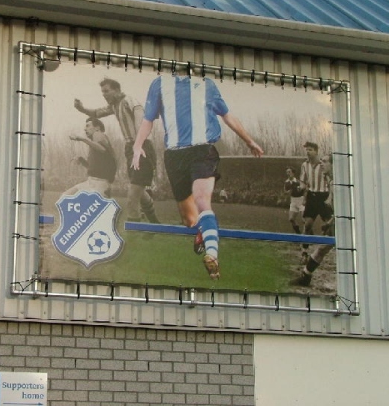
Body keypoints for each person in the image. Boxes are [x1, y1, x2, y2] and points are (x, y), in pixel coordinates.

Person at [132, 75, 263, 280]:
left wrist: (249, 141)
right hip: (175, 155)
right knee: (189, 219)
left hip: (202, 151)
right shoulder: (159, 83)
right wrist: (137, 145)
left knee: (202, 200)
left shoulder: (207, 84)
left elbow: (227, 115)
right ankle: (202, 229)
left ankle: (212, 255)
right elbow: (148, 119)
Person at [74, 78, 159, 223]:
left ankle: (134, 232)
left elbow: (141, 118)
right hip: (130, 148)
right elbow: (96, 113)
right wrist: (81, 109)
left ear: (117, 90)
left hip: (141, 147)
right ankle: (155, 224)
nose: (104, 94)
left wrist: (139, 143)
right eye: (102, 92)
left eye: (106, 91)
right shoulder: (114, 106)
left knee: (132, 196)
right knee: (138, 188)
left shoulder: (129, 100)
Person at [291, 153, 334, 286]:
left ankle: (306, 276)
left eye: (326, 161)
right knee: (322, 248)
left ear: (334, 165)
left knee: (324, 248)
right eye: (322, 161)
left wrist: (330, 222)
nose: (322, 164)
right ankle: (306, 276)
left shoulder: (339, 184)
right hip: (340, 222)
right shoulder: (331, 182)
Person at [63, 117, 117, 198]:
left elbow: (102, 149)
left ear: (97, 128)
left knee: (66, 199)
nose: (85, 129)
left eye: (88, 126)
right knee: (65, 197)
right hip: (91, 182)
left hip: (100, 184)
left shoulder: (98, 134)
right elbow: (91, 167)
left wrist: (83, 139)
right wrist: (81, 160)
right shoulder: (93, 144)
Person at [299, 141, 332, 259]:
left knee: (330, 224)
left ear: (316, 151)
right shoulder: (304, 165)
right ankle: (304, 251)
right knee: (307, 224)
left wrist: (330, 197)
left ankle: (330, 249)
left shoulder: (323, 164)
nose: (308, 152)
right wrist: (301, 189)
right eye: (307, 150)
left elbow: (330, 181)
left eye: (310, 150)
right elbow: (303, 182)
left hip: (323, 196)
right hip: (312, 197)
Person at [284, 167, 304, 234]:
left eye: (289, 172)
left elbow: (304, 190)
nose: (288, 174)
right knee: (291, 219)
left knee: (304, 220)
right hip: (293, 201)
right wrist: (287, 192)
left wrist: (300, 190)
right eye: (287, 172)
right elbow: (285, 191)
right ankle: (298, 234)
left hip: (301, 200)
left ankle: (309, 235)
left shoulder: (298, 182)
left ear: (293, 173)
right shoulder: (286, 182)